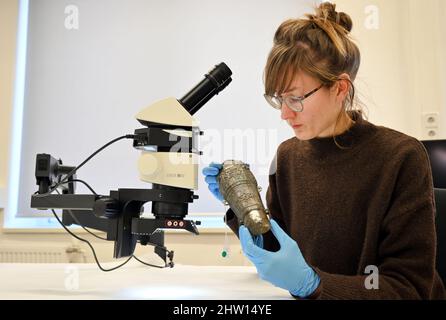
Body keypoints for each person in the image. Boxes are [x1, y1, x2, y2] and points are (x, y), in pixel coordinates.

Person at [202, 2, 446, 300]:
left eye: (295, 98)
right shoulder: (288, 156)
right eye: (279, 100)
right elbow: (275, 248)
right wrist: (240, 207)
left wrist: (315, 285)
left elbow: (409, 289)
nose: (285, 114)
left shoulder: (401, 157)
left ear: (340, 89)